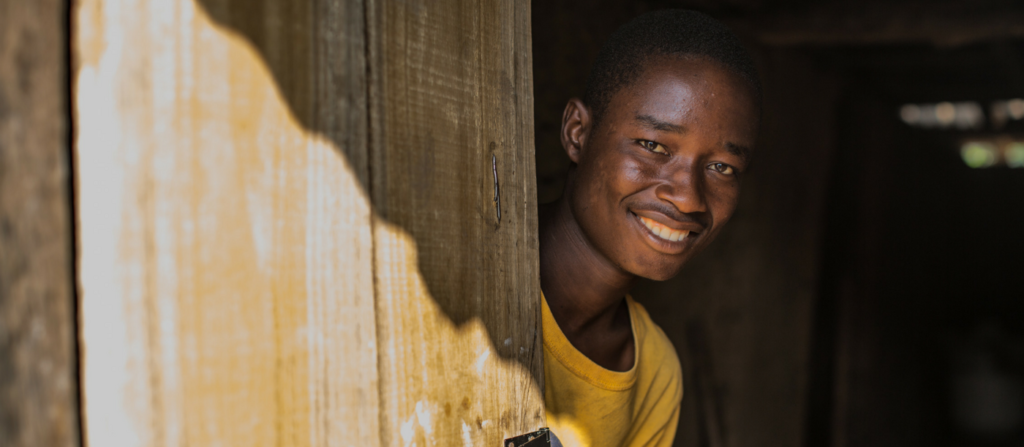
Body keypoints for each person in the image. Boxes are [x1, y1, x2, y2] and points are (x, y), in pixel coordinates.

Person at [538, 9, 761, 447]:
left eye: (721, 166)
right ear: (578, 132)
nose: (688, 198)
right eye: (654, 146)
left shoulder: (654, 372)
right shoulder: (455, 277)